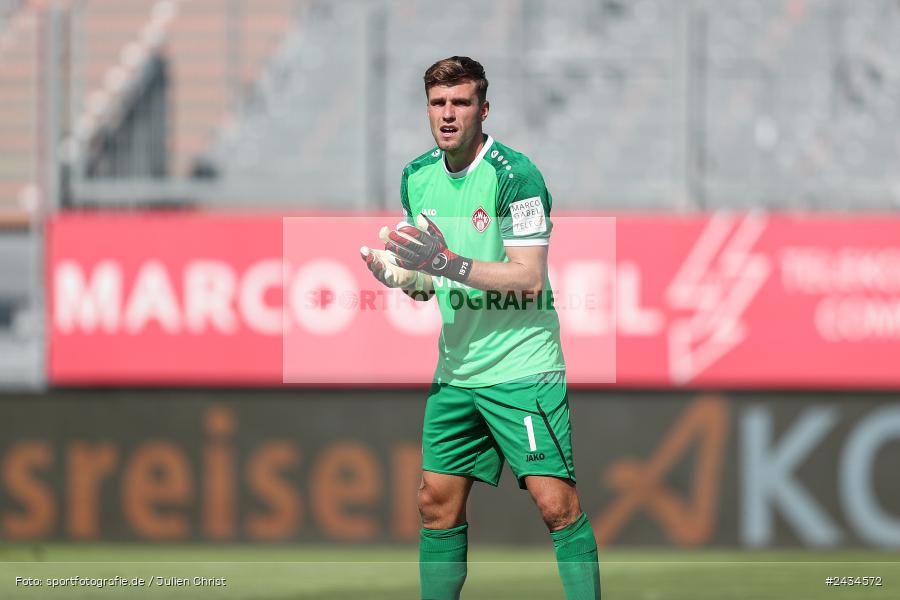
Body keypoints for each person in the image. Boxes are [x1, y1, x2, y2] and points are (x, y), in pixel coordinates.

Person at [361, 56, 601, 600]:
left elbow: (527, 277)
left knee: (556, 506)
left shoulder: (516, 177)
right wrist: (401, 277)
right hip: (457, 370)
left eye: (461, 103)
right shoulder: (416, 177)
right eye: (438, 103)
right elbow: (433, 285)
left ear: (483, 110)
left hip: (522, 367)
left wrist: (443, 263)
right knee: (434, 503)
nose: (448, 115)